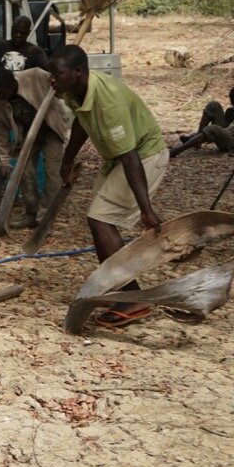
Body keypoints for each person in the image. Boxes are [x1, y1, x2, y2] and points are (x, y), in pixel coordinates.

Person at [49, 45, 167, 328]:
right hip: (119, 158)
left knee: (101, 220)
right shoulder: (74, 91)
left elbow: (131, 155)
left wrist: (145, 210)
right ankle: (119, 289)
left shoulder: (108, 99)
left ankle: (133, 297)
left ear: (78, 72)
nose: (52, 80)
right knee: (98, 219)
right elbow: (81, 122)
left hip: (143, 156)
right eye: (50, 74)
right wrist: (68, 158)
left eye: (57, 74)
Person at [0, 67, 70, 229]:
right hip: (28, 137)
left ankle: (45, 217)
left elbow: (58, 83)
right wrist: (4, 161)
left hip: (51, 130)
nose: (2, 97)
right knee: (24, 172)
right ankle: (31, 213)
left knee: (52, 173)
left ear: (13, 84)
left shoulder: (34, 76)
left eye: (4, 92)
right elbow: (1, 134)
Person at [171, 84, 234, 157]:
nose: (231, 101)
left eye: (233, 99)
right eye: (230, 98)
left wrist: (211, 135)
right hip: (230, 133)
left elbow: (232, 130)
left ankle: (177, 150)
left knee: (213, 129)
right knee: (213, 105)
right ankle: (197, 137)